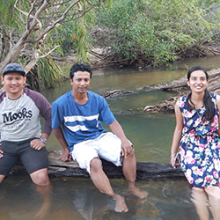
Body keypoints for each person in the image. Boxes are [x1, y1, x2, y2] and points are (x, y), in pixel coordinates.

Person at [52, 63, 148, 213]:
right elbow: (55, 128)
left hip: (99, 136)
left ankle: (131, 188)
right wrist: (65, 148)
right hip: (79, 144)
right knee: (94, 163)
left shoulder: (98, 100)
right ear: (71, 81)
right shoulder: (60, 104)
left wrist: (124, 140)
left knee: (129, 149)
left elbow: (113, 123)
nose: (82, 83)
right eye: (78, 80)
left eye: (86, 79)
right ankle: (115, 197)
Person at [0, 63, 52, 218]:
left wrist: (43, 138)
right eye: (10, 79)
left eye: (18, 78)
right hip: (6, 146)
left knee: (42, 179)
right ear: (3, 80)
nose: (14, 82)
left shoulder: (35, 97)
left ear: (24, 80)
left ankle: (47, 205)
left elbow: (51, 116)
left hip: (30, 145)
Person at [170, 66, 220, 218]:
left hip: (212, 144)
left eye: (202, 79)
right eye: (194, 79)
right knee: (198, 188)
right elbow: (179, 129)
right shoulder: (181, 104)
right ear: (188, 82)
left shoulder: (216, 100)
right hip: (190, 147)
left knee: (212, 187)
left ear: (207, 81)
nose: (198, 82)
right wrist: (173, 154)